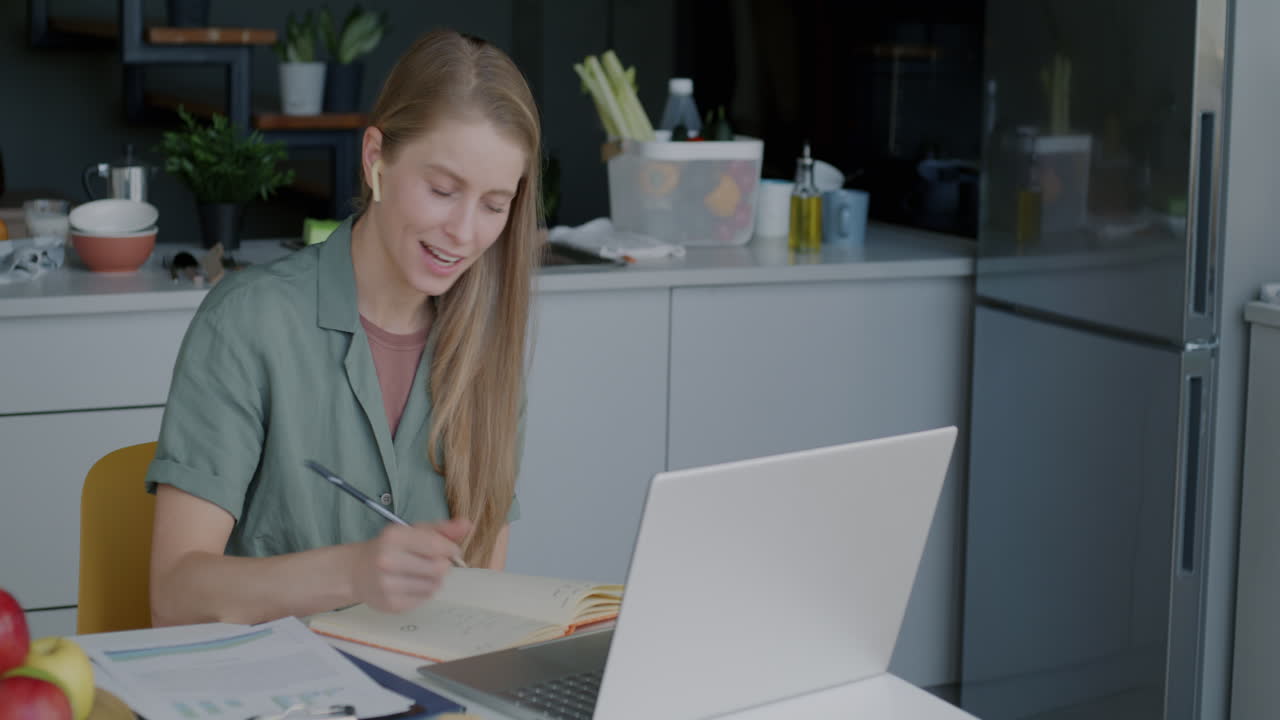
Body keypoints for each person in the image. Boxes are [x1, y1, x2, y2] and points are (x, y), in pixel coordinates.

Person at [146, 29, 541, 627]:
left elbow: (480, 601)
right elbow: (174, 598)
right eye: (442, 190)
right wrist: (351, 573)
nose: (464, 232)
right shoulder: (249, 321)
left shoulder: (487, 353)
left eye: (493, 205)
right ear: (375, 158)